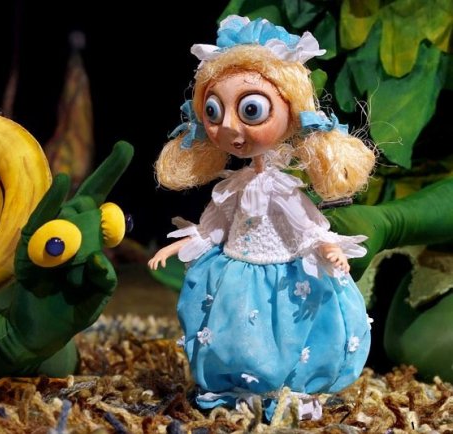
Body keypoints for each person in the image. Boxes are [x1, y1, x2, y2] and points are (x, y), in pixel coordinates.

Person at [148, 15, 376, 420]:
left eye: (250, 109)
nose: (228, 126)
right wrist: (186, 242)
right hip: (235, 272)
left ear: (291, 110)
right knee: (235, 332)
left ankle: (292, 391)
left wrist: (326, 247)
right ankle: (238, 389)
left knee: (284, 331)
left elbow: (306, 226)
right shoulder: (235, 186)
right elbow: (215, 225)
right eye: (214, 111)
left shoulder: (280, 188)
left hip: (284, 276)